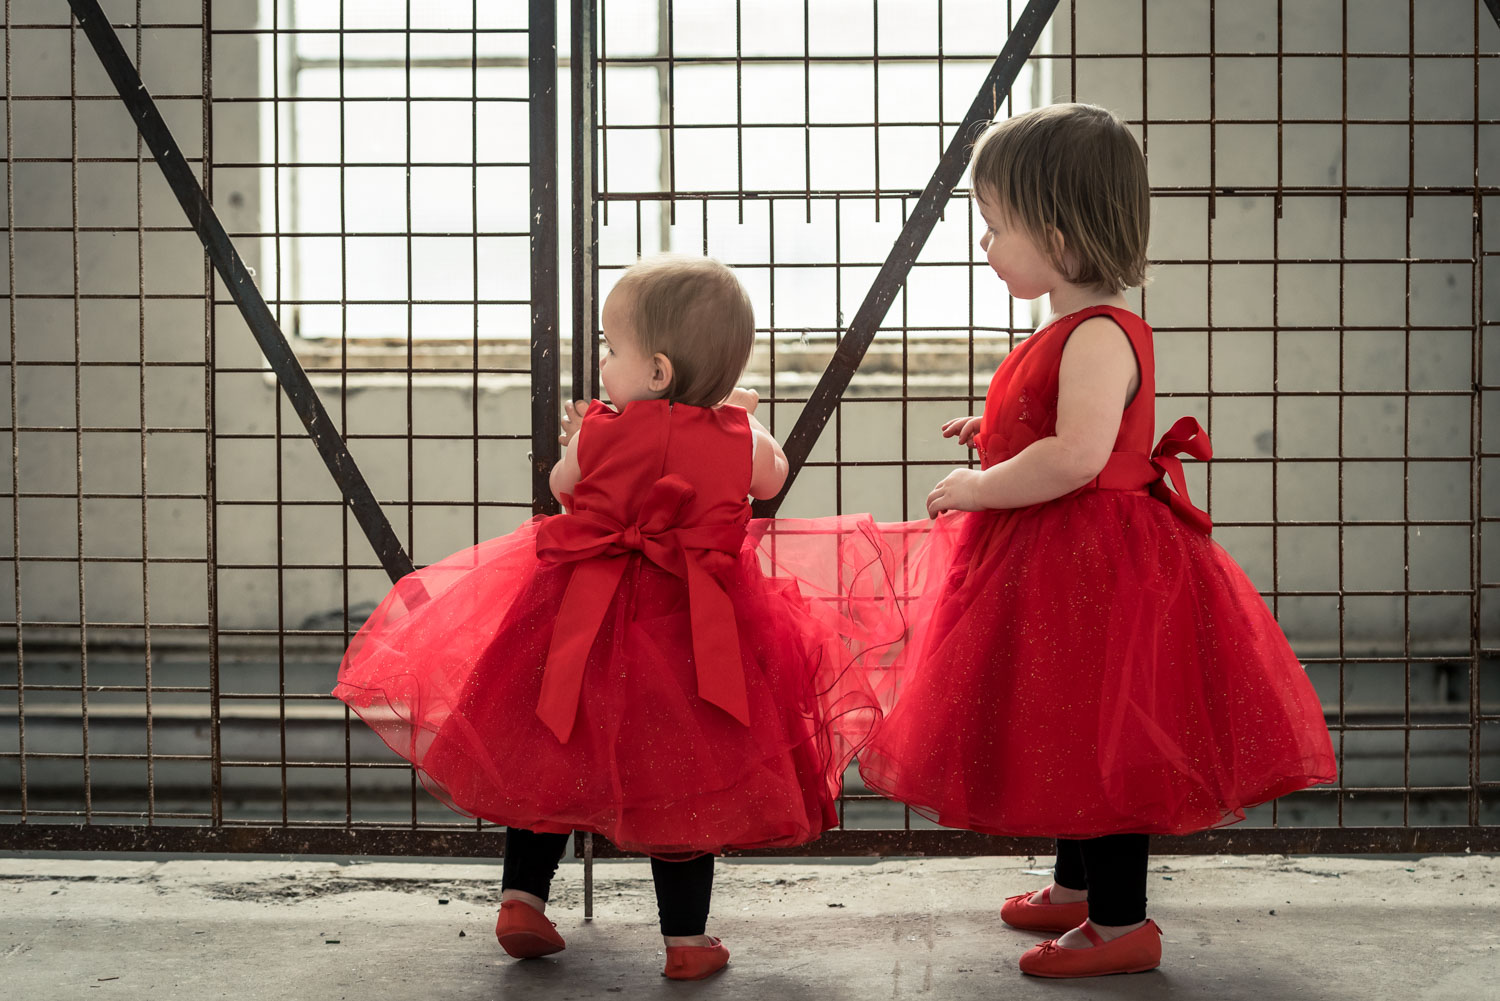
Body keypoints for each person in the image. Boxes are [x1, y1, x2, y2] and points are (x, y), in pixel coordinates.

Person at [857, 103, 1337, 979]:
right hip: (1067, 558)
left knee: (1104, 735)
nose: (986, 247)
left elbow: (1077, 457)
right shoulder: (1074, 332)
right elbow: (1062, 430)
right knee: (1069, 724)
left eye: (996, 229)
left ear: (1060, 235)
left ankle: (1122, 925)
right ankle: (1079, 886)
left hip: (1093, 564)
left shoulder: (1100, 334)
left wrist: (977, 487)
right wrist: (997, 431)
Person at [334, 254, 890, 981]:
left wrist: (578, 444)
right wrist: (746, 421)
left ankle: (523, 898)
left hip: (581, 618)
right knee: (690, 773)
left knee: (548, 750)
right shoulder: (737, 437)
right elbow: (773, 477)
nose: (602, 361)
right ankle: (686, 940)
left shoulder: (600, 430)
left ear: (656, 371)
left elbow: (564, 487)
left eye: (611, 348)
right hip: (693, 628)